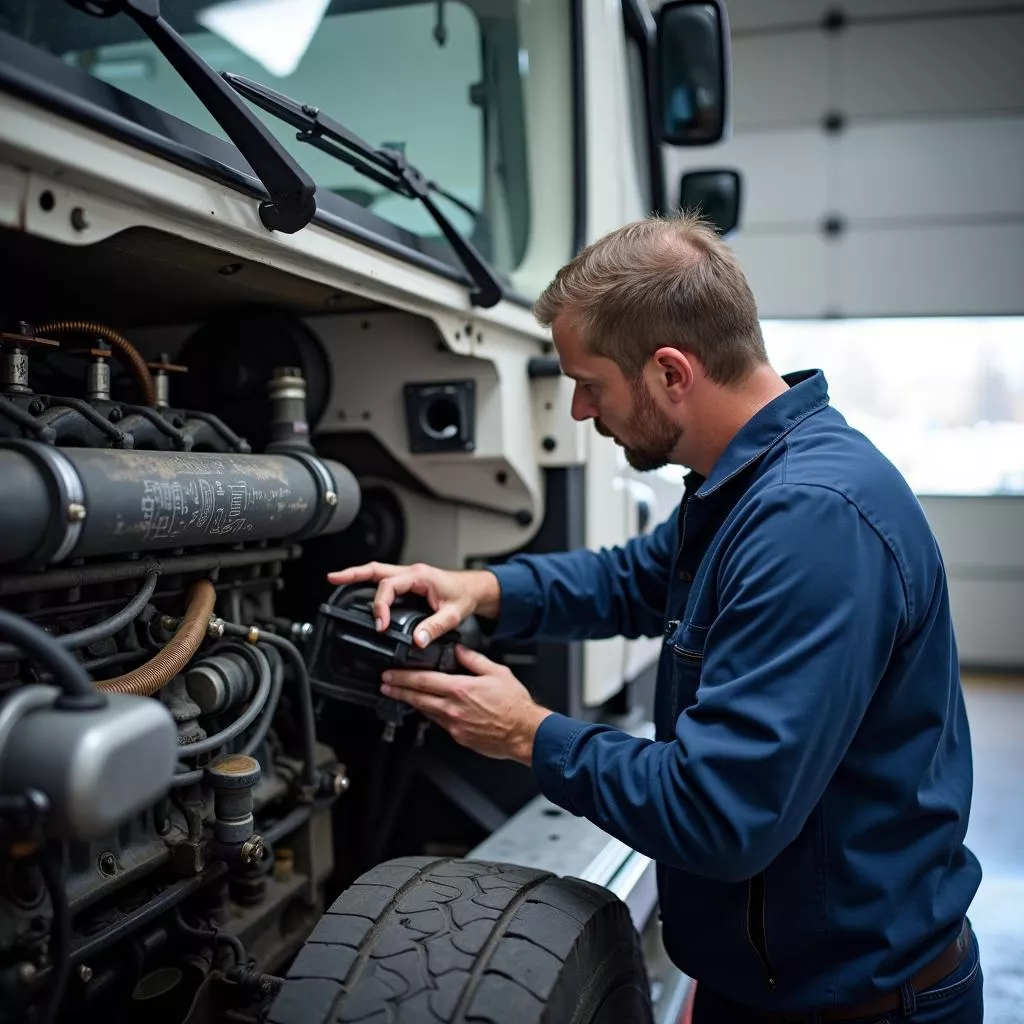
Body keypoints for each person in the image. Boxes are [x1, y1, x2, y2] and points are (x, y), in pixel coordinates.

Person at [327, 215, 983, 1023]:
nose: (576, 409)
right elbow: (634, 579)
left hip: (855, 1007)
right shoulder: (748, 483)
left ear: (672, 372)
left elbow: (718, 816)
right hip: (771, 984)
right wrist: (482, 587)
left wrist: (530, 734)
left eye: (590, 383)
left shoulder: (812, 521)